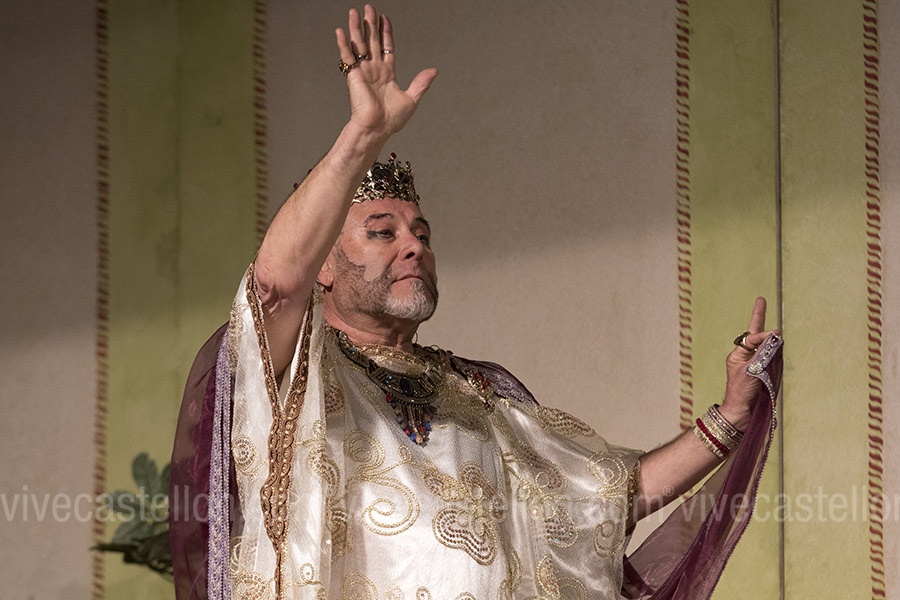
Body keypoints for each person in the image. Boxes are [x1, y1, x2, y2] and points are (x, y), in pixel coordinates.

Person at [169, 5, 783, 599]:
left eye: (422, 233)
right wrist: (363, 136)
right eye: (382, 232)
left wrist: (730, 415)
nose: (413, 246)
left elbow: (604, 500)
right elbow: (275, 288)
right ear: (324, 267)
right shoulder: (296, 370)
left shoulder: (478, 392)